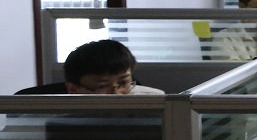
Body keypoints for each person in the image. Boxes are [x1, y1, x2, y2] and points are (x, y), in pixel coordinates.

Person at [14, 40, 163, 95]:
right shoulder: (37, 118)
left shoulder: (157, 105)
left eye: (124, 82)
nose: (117, 93)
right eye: (102, 86)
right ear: (73, 89)